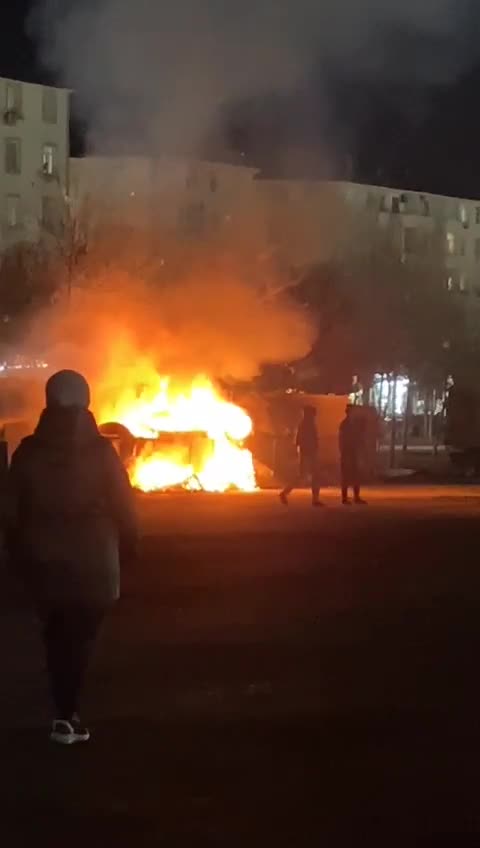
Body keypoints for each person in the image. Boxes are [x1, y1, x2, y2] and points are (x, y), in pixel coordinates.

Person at [5, 369, 138, 745]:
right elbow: (125, 508)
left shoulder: (28, 452)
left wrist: (17, 554)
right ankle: (67, 714)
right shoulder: (102, 453)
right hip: (95, 564)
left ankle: (64, 713)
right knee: (79, 637)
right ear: (86, 401)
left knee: (57, 635)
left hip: (43, 562)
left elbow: (10, 511)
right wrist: (130, 547)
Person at [280, 405, 323, 507]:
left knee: (310, 476)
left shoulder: (306, 425)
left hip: (308, 453)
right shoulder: (306, 425)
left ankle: (315, 499)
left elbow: (299, 441)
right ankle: (285, 493)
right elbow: (300, 441)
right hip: (308, 454)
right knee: (306, 476)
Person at [339, 404, 367, 505]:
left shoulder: (352, 424)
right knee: (346, 476)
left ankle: (355, 497)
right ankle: (345, 498)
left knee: (355, 475)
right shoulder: (345, 424)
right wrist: (343, 452)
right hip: (347, 453)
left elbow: (358, 438)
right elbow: (342, 440)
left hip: (352, 452)